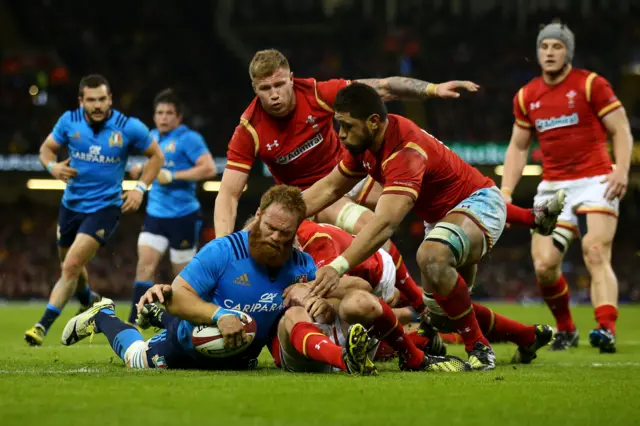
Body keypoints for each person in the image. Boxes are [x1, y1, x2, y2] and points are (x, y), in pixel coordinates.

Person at [300, 83, 561, 370]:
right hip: (443, 219)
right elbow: (327, 189)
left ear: (374, 122)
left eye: (347, 126)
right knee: (443, 313)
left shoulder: (404, 152)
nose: (341, 134)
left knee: (431, 255)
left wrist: (336, 267)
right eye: (339, 125)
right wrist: (280, 213)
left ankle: (480, 349)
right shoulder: (366, 146)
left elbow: (385, 223)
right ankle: (527, 336)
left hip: (479, 204)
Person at [60, 185, 375, 374]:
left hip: (240, 359)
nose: (277, 238)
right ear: (260, 215)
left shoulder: (301, 266)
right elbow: (182, 294)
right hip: (188, 343)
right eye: (271, 228)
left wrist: (322, 303)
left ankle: (154, 309)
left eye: (286, 233)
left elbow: (354, 291)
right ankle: (103, 315)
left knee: (164, 302)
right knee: (137, 357)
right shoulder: (224, 250)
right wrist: (220, 315)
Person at [215, 48, 479, 238]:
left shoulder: (317, 93)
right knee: (370, 231)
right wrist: (220, 245)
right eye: (265, 89)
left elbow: (382, 88)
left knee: (415, 193)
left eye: (279, 84)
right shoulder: (249, 130)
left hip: (349, 172)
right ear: (254, 88)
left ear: (291, 79)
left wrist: (432, 89)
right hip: (310, 195)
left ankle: (474, 217)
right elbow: (228, 193)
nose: (274, 95)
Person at [500, 22, 632, 353]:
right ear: (537, 52)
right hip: (553, 187)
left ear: (567, 51)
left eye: (557, 47)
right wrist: (505, 191)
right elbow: (517, 147)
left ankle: (606, 329)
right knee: (544, 265)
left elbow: (621, 129)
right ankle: (566, 329)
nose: (549, 53)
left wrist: (622, 171)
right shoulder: (527, 95)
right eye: (544, 47)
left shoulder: (591, 84)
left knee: (595, 250)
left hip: (596, 180)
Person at [24, 74, 164, 346]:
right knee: (70, 264)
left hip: (105, 207)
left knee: (72, 265)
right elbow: (46, 150)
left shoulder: (128, 127)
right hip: (71, 206)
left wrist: (139, 188)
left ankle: (41, 326)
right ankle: (90, 300)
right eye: (91, 100)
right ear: (81, 101)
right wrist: (52, 167)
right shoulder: (69, 121)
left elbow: (157, 156)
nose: (98, 105)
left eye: (102, 99)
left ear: (110, 98)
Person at [126, 89, 216, 324]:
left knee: (182, 277)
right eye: (159, 113)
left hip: (184, 217)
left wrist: (174, 175)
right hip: (155, 215)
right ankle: (136, 319)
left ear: (179, 118)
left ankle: (184, 321)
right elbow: (152, 165)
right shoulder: (152, 138)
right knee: (144, 265)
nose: (163, 117)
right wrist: (140, 169)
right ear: (154, 116)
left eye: (169, 113)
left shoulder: (190, 139)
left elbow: (209, 168)